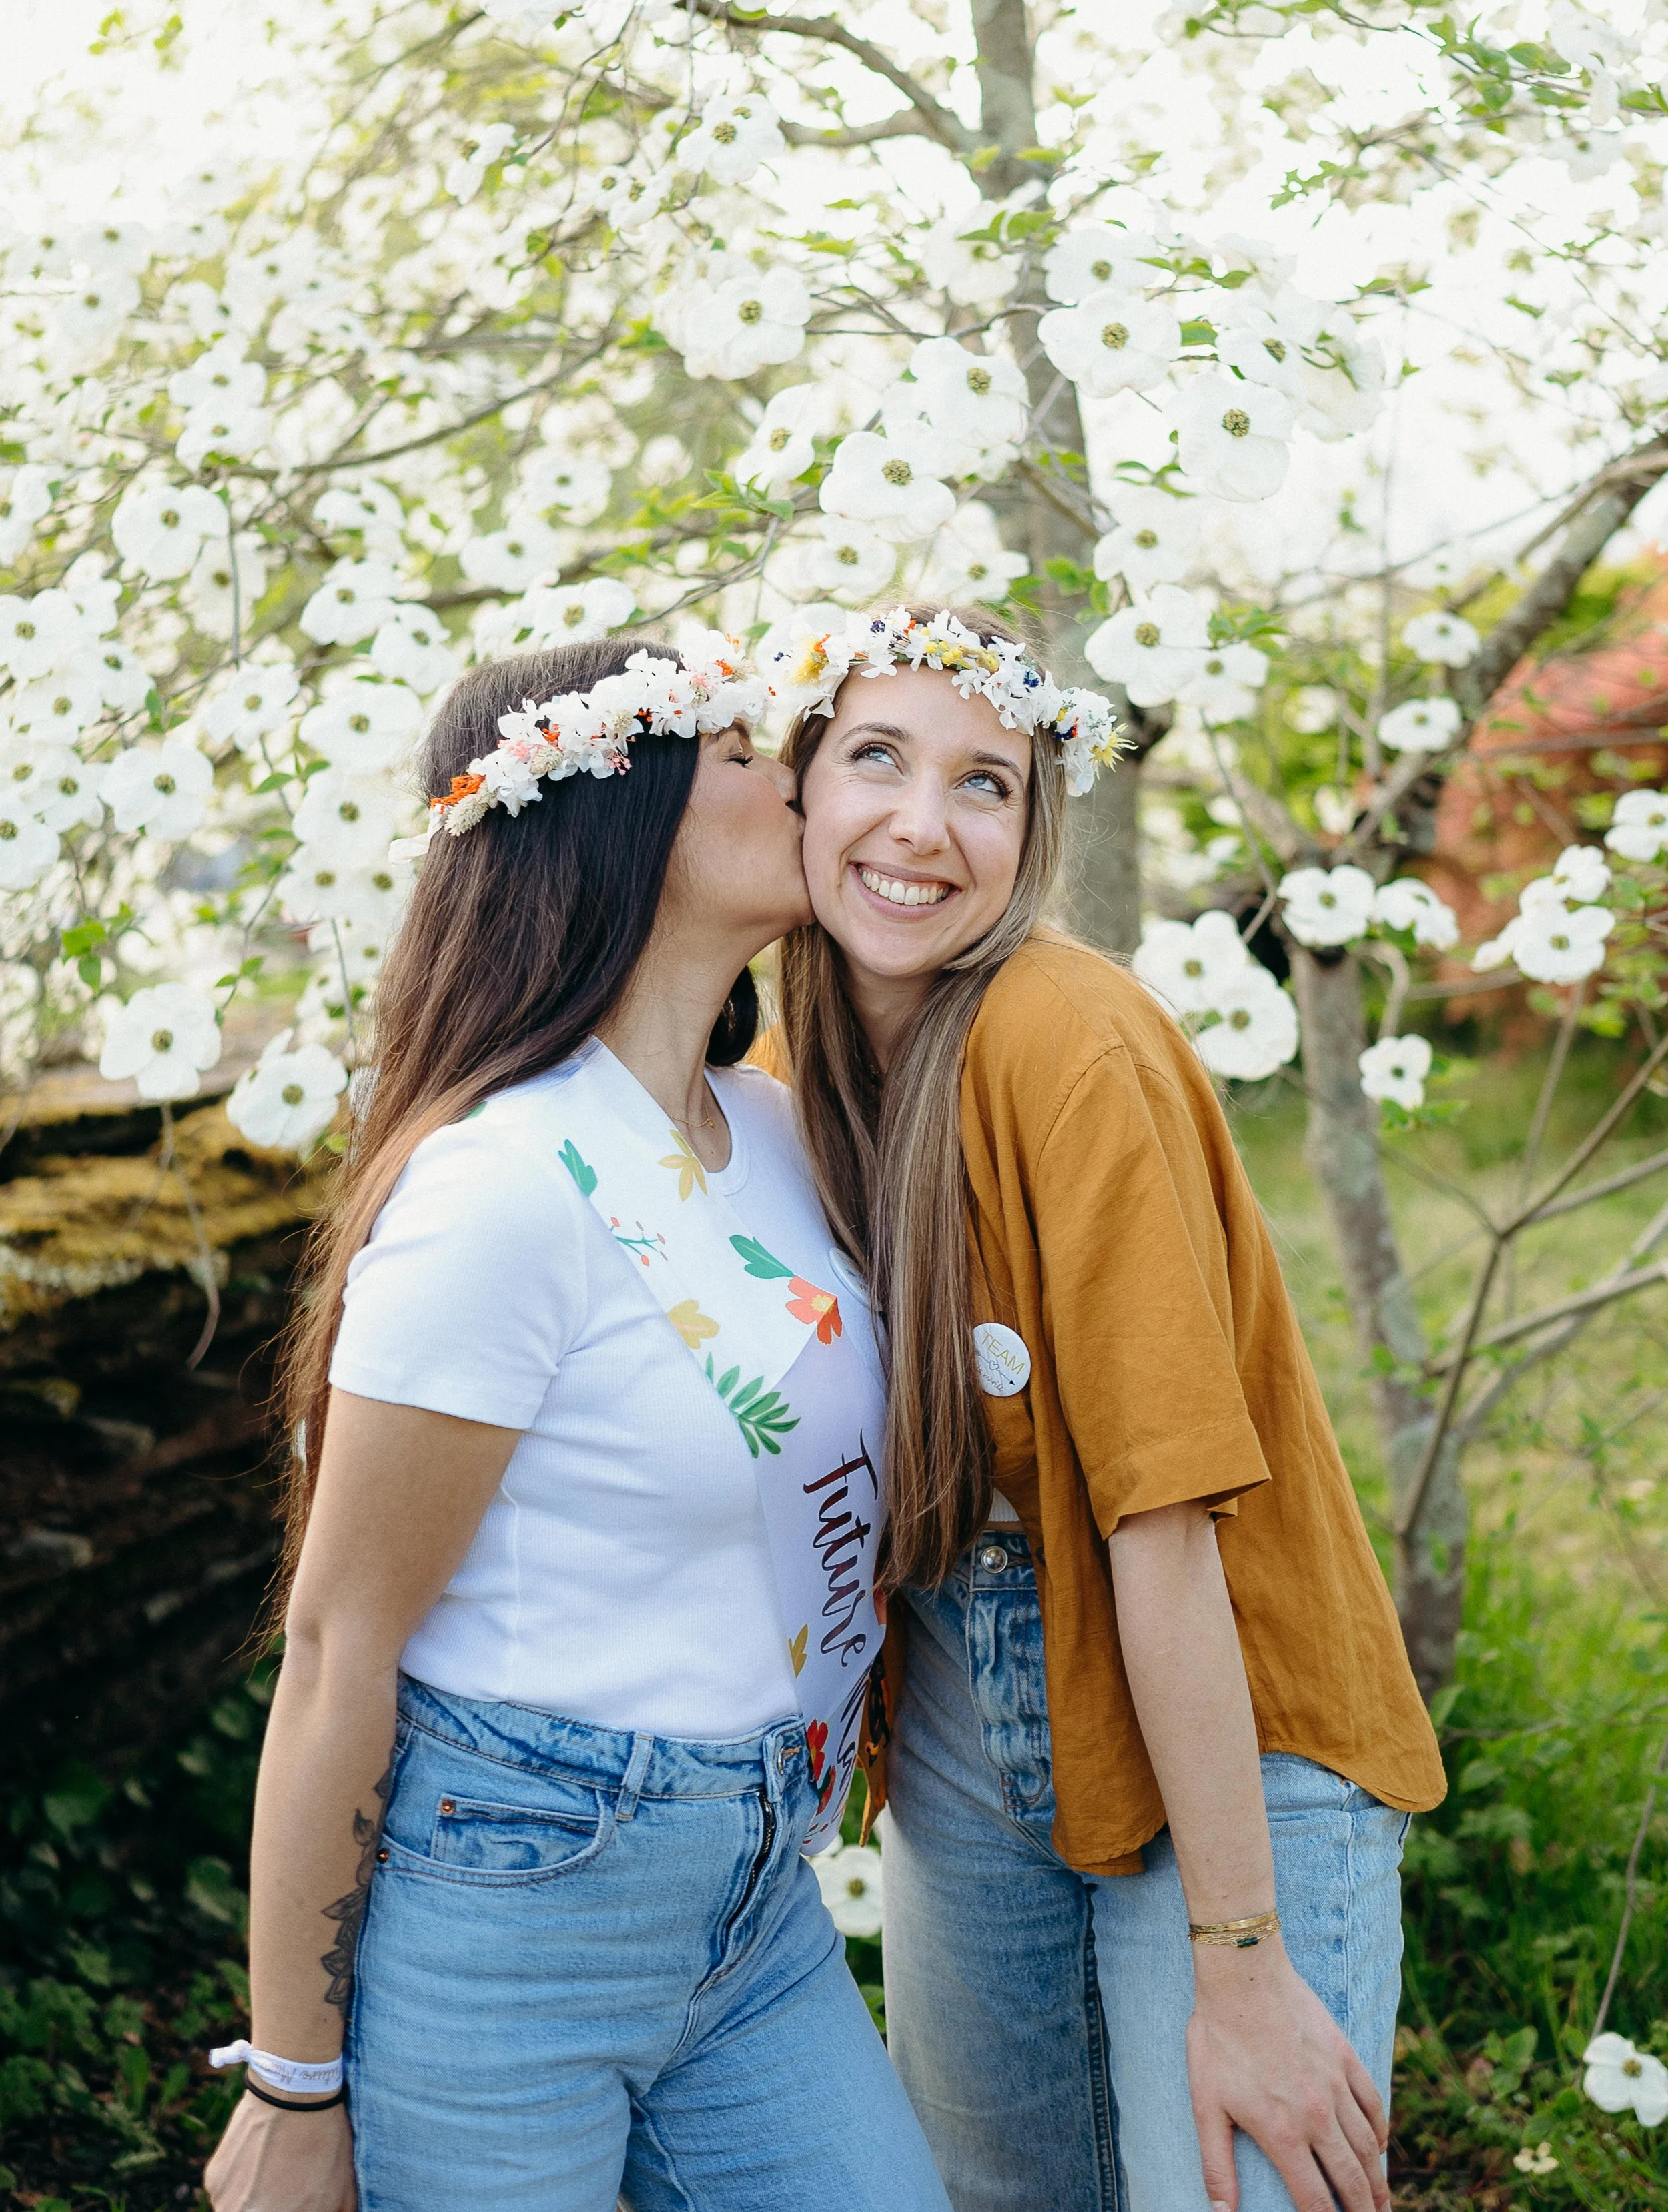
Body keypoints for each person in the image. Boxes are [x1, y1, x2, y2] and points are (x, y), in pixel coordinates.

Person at [204, 634, 951, 2212]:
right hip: (516, 1897)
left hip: (756, 1898)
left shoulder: (776, 1124)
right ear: (620, 818)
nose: (795, 777)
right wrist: (293, 2082)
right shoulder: (496, 1193)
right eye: (740, 755)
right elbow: (338, 1642)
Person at [765, 605, 1447, 2212]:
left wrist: (1241, 1960)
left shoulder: (1068, 1038)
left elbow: (1160, 1521)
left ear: (1035, 828)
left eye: (983, 782)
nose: (920, 825)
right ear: (796, 783)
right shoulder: (793, 1064)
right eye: (875, 757)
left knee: (1233, 2179)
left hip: (1219, 1695)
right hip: (960, 1688)